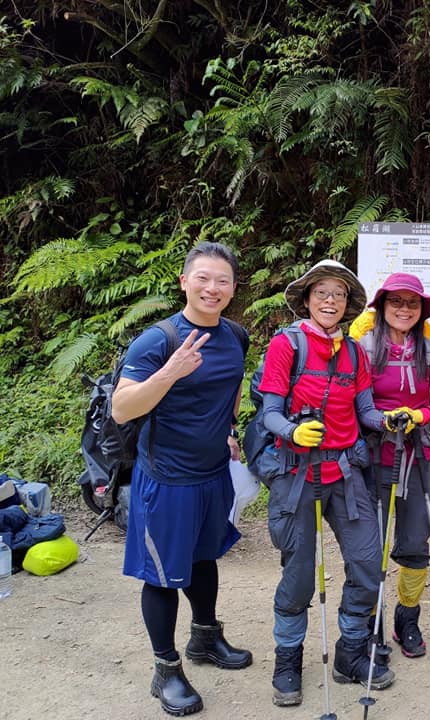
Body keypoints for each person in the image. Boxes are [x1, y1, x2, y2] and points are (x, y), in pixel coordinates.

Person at [115, 241, 251, 717]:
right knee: (162, 575)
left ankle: (205, 638)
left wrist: (231, 430)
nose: (212, 288)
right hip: (167, 481)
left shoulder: (235, 335)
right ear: (184, 282)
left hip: (213, 475)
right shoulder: (158, 340)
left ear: (233, 289)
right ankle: (165, 669)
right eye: (203, 278)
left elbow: (231, 388)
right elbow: (121, 408)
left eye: (223, 281)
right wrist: (168, 375)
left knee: (203, 559)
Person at [258, 259, 394, 707]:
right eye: (321, 292)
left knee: (367, 565)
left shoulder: (353, 353)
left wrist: (390, 420)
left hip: (346, 473)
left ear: (348, 303)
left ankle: (351, 653)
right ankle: (288, 660)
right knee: (298, 575)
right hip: (298, 473)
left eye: (338, 293)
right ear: (307, 299)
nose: (330, 300)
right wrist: (292, 431)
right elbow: (271, 411)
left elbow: (365, 411)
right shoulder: (287, 345)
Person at [357, 273, 430, 658]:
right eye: (395, 302)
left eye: (412, 303)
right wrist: (384, 419)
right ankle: (369, 621)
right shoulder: (363, 349)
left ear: (421, 310)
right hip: (375, 457)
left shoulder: (429, 352)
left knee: (415, 541)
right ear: (382, 306)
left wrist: (420, 413)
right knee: (371, 544)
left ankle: (406, 618)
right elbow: (356, 403)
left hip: (418, 457)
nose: (404, 309)